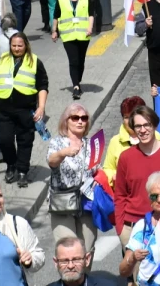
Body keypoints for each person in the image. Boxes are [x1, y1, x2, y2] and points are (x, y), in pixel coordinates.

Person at [0, 32, 48, 188]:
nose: (17, 49)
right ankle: (11, 164)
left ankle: (22, 172)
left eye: (20, 45)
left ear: (26, 45)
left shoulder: (35, 62)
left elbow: (42, 86)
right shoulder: (1, 61)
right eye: (14, 45)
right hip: (4, 110)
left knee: (25, 141)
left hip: (25, 109)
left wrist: (41, 107)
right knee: (3, 139)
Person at [113, 106, 160, 246]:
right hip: (133, 226)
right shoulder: (126, 157)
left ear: (155, 125)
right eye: (138, 126)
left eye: (147, 125)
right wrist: (120, 228)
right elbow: (120, 196)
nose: (143, 130)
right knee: (134, 268)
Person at [46, 103, 100, 255]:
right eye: (75, 118)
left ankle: (85, 278)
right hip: (63, 203)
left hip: (87, 202)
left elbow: (97, 168)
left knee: (87, 250)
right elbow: (51, 161)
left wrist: (99, 177)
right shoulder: (57, 142)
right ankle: (69, 278)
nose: (80, 121)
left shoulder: (92, 144)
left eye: (84, 118)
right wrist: (63, 153)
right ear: (66, 121)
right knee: (69, 251)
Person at [51, 0, 95, 100]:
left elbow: (91, 14)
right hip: (68, 35)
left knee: (81, 61)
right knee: (73, 60)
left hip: (83, 34)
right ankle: (76, 86)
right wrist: (54, 31)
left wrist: (90, 27)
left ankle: (77, 80)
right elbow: (56, 16)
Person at [102, 96, 160, 185]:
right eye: (126, 117)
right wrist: (113, 176)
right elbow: (107, 168)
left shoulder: (155, 136)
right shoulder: (115, 141)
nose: (130, 121)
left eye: (133, 116)